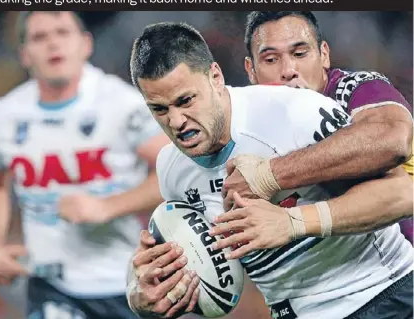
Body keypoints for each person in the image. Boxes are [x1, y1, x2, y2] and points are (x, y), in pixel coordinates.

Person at [125, 22, 413, 319]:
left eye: (185, 101)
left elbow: (402, 195)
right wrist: (147, 288)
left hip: (382, 296)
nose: (176, 121)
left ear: (215, 77)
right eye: (159, 109)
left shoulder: (295, 111)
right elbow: (212, 267)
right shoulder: (171, 170)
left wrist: (293, 221)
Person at [0, 11, 169, 319]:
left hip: (128, 282)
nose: (53, 44)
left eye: (62, 32)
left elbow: (175, 172)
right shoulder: (1, 118)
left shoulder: (124, 106)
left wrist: (108, 206)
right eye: (40, 37)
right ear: (24, 54)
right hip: (51, 285)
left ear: (86, 44)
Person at [228, 11, 413, 242]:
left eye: (300, 53)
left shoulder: (354, 88)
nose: (288, 70)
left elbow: (392, 140)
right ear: (251, 71)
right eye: (271, 60)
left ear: (324, 54)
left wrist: (269, 175)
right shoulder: (250, 128)